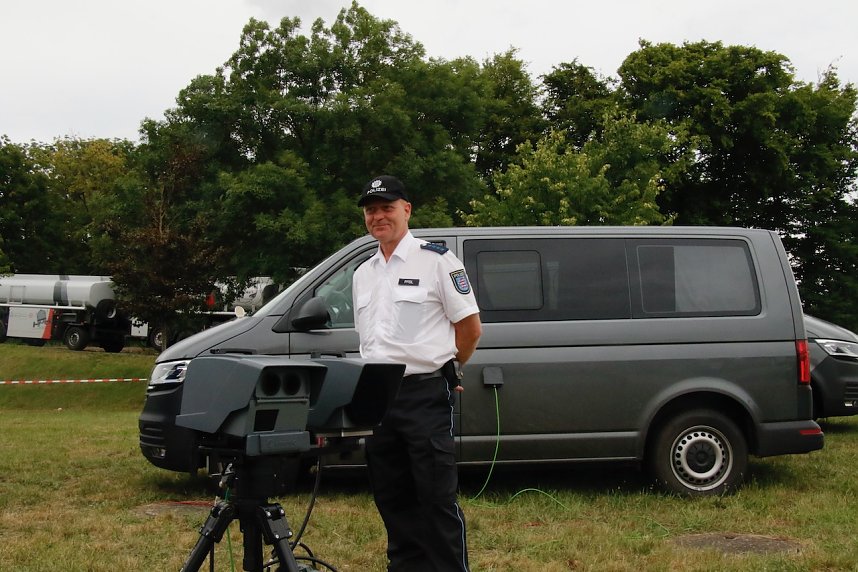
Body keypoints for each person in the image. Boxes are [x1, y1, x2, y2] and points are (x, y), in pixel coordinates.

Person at [352, 175, 482, 572]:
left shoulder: (437, 260)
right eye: (371, 210)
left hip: (423, 395)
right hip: (378, 399)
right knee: (392, 499)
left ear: (406, 209)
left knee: (436, 499)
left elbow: (470, 328)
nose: (378, 216)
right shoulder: (363, 273)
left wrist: (448, 366)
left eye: (387, 207)